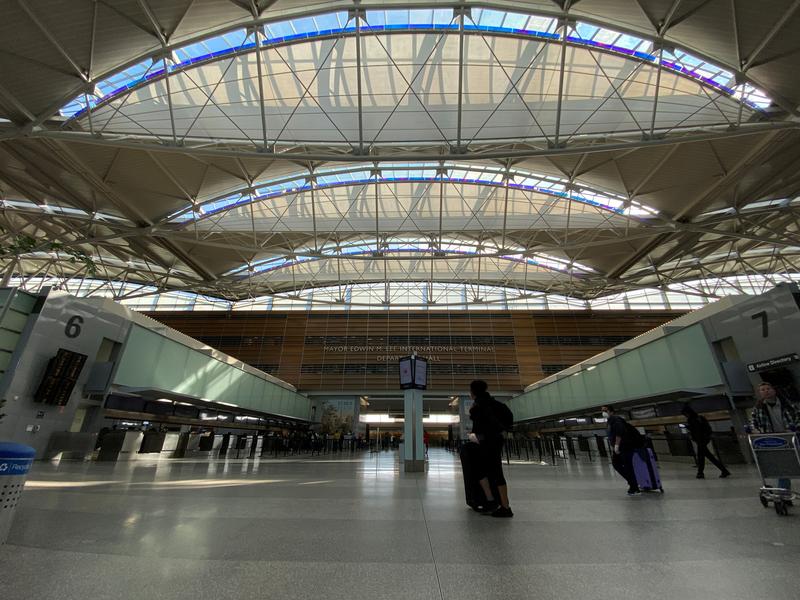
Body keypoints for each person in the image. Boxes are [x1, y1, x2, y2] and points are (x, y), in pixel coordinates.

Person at [468, 380, 514, 518]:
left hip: (486, 443)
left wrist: (473, 437)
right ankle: (500, 503)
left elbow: (477, 431)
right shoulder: (498, 404)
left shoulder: (477, 407)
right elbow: (509, 419)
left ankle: (497, 503)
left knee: (483, 471)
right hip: (498, 441)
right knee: (495, 471)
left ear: (473, 392)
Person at [748, 381, 800, 495]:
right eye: (763, 390)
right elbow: (753, 422)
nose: (766, 391)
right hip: (772, 441)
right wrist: (755, 430)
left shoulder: (787, 405)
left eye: (768, 389)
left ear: (774, 390)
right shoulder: (758, 408)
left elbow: (798, 417)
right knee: (781, 468)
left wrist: (794, 428)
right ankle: (783, 494)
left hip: (791, 438)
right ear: (760, 393)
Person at [601, 405, 644, 496]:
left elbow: (619, 432)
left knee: (627, 466)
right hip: (620, 447)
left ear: (611, 411)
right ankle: (633, 483)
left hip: (625, 446)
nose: (603, 412)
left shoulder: (616, 419)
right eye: (602, 411)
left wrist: (616, 445)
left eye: (605, 410)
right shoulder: (610, 421)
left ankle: (634, 487)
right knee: (617, 464)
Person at [681, 404, 730, 479]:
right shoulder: (700, 418)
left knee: (702, 457)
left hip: (700, 440)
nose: (685, 415)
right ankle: (721, 471)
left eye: (685, 414)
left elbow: (696, 430)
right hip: (704, 439)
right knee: (705, 457)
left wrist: (688, 427)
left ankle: (701, 473)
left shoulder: (691, 420)